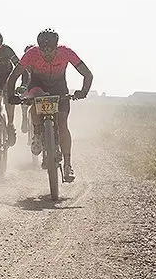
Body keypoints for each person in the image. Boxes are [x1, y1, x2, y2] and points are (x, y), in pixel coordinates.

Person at [7, 29, 93, 182]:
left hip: (59, 88)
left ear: (56, 47)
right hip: (37, 85)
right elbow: (13, 76)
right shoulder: (32, 54)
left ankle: (68, 165)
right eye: (43, 50)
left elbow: (87, 74)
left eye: (50, 50)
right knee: (36, 97)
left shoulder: (66, 52)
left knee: (62, 124)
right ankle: (38, 134)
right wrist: (11, 96)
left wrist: (83, 91)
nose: (46, 53)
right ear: (38, 47)